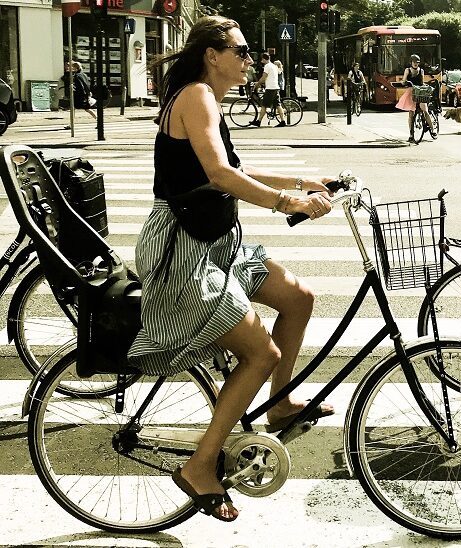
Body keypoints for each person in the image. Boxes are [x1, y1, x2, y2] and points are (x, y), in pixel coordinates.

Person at [130, 15, 336, 522]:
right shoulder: (196, 95)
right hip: (185, 250)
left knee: (298, 297)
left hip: (218, 241)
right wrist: (287, 201)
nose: (249, 60)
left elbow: (232, 168)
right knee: (260, 352)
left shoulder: (207, 98)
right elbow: (220, 175)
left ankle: (279, 406)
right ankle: (201, 466)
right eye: (240, 51)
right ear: (211, 55)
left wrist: (302, 178)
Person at [396, 54, 435, 143]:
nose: (415, 64)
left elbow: (422, 81)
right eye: (414, 62)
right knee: (411, 114)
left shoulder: (421, 70)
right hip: (411, 92)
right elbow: (404, 80)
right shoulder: (407, 70)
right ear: (411, 62)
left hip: (420, 92)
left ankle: (432, 130)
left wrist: (426, 86)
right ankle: (411, 134)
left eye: (417, 62)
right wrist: (403, 82)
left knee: (425, 111)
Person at [249, 53, 285, 127]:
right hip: (275, 87)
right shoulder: (274, 66)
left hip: (270, 88)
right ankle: (283, 121)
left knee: (264, 105)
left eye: (262, 59)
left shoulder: (267, 66)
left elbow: (264, 77)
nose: (261, 61)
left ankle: (258, 121)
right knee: (278, 104)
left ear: (264, 59)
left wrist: (257, 84)